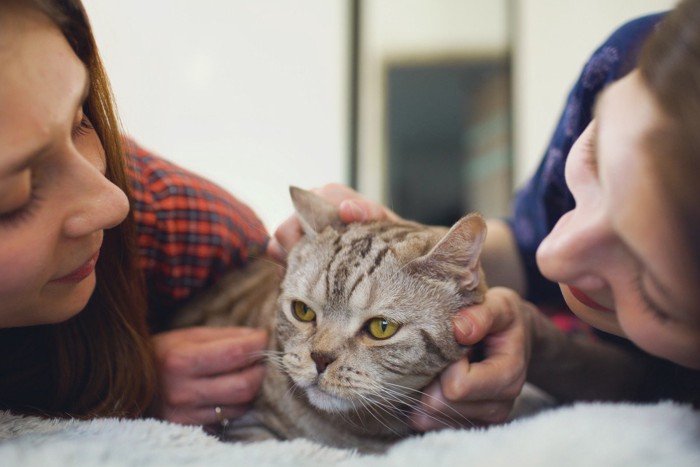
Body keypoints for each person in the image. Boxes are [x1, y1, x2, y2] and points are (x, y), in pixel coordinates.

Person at [268, 0, 700, 429]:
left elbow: (663, 384)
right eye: (596, 160)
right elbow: (528, 244)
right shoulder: (634, 57)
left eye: (650, 286)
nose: (554, 254)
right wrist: (402, 250)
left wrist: (547, 349)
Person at [0, 0, 269, 426]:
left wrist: (136, 379)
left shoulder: (158, 208)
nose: (112, 204)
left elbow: (265, 265)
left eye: (80, 120)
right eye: (14, 196)